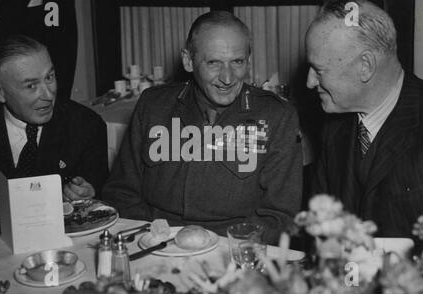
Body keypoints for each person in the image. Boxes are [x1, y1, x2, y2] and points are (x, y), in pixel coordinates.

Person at [103, 11, 303, 244]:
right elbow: (121, 193)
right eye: (213, 63)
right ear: (188, 61)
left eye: (237, 62)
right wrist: (154, 238)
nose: (227, 78)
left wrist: (225, 248)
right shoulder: (154, 106)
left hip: (232, 250)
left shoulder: (276, 116)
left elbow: (280, 217)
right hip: (157, 243)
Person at [307, 0, 423, 237]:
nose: (309, 82)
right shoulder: (334, 127)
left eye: (318, 70)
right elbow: (319, 229)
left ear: (365, 66)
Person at [0, 34, 108, 200]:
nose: (48, 94)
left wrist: (90, 192)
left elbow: (104, 190)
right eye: (31, 85)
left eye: (49, 77)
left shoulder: (86, 125)